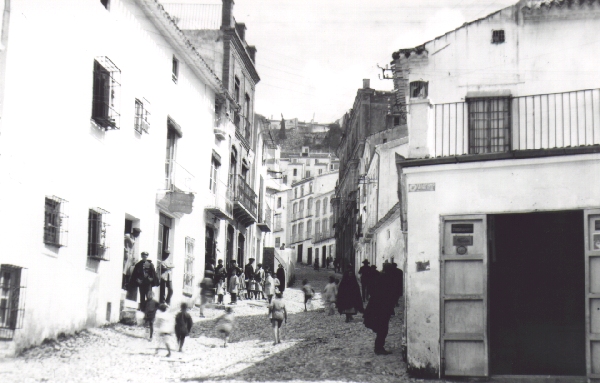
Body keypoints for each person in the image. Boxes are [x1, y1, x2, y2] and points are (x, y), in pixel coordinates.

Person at [363, 263, 395, 355]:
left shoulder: (378, 277)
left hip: (375, 305)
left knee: (381, 326)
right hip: (382, 306)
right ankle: (379, 348)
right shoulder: (387, 279)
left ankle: (379, 347)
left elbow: (371, 289)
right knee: (383, 327)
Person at [123, 228, 141, 295]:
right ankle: (123, 284)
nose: (138, 235)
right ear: (135, 232)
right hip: (126, 254)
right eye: (138, 233)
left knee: (129, 271)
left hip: (131, 256)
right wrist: (125, 249)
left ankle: (127, 285)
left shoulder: (134, 238)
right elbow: (124, 238)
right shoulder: (128, 235)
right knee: (124, 270)